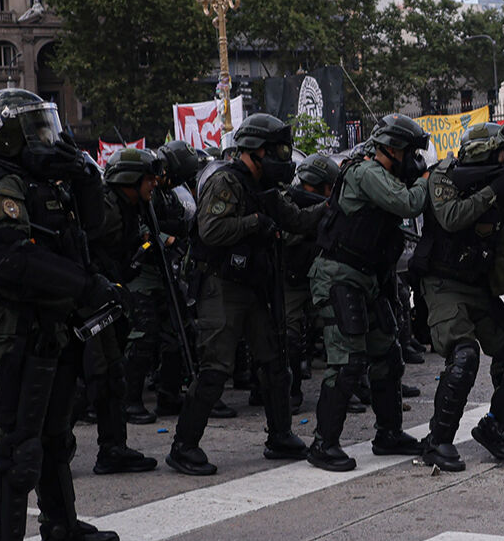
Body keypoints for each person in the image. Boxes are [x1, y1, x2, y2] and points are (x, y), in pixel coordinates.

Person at [0, 89, 119, 541]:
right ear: (6, 133)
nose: (45, 136)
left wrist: (86, 174)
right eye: (34, 127)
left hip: (54, 320)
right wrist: (83, 284)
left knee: (54, 436)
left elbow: (96, 227)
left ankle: (60, 525)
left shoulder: (42, 179)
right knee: (16, 445)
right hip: (20, 322)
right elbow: (13, 259)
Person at [166, 114, 322, 475]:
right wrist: (255, 224)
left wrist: (330, 208)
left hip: (253, 287)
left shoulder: (263, 187)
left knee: (273, 360)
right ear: (255, 151)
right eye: (276, 151)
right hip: (222, 286)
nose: (282, 158)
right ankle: (184, 446)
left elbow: (296, 219)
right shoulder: (226, 180)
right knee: (214, 369)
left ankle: (279, 435)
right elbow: (211, 230)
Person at [308, 114, 430, 472]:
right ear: (390, 148)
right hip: (338, 276)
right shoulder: (367, 173)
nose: (413, 159)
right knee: (348, 363)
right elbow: (409, 203)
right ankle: (323, 444)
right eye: (408, 152)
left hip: (366, 277)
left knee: (387, 354)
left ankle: (388, 433)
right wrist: (427, 180)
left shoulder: (383, 172)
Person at [410, 122, 504, 470]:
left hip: (476, 283)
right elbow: (450, 218)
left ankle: (503, 426)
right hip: (443, 282)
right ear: (488, 153)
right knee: (464, 356)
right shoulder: (444, 176)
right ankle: (438, 442)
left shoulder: (502, 178)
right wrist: (496, 189)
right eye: (503, 152)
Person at [79, 148, 159, 474]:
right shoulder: (106, 209)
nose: (154, 184)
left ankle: (113, 448)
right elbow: (83, 252)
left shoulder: (129, 207)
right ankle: (45, 451)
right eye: (148, 179)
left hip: (106, 300)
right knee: (89, 378)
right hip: (87, 303)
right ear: (130, 180)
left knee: (113, 375)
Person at [281, 153, 364, 414]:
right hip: (292, 279)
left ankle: (345, 390)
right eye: (328, 188)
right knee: (291, 336)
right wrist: (314, 219)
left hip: (319, 277)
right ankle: (291, 393)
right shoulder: (287, 201)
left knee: (336, 330)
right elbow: (285, 235)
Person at [122, 141, 199, 421]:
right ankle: (130, 400)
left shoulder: (168, 194)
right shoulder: (145, 189)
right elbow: (140, 227)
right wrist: (165, 239)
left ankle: (169, 396)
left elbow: (183, 219)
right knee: (143, 336)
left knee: (176, 334)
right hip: (144, 274)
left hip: (167, 271)